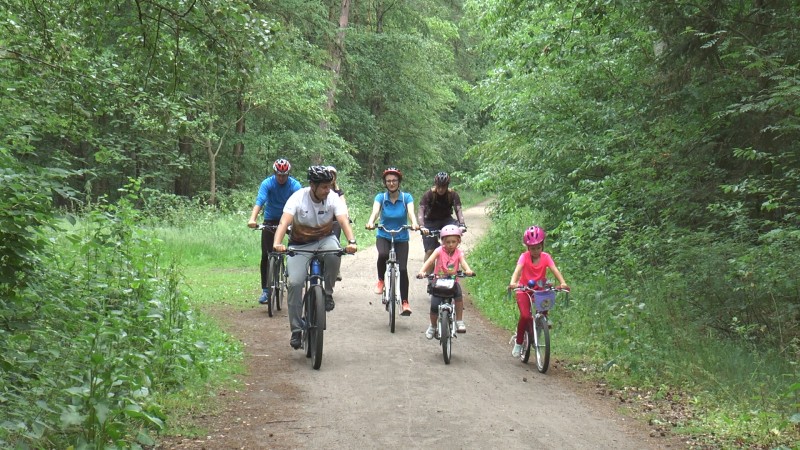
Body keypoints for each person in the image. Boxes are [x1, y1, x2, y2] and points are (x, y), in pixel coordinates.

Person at [272, 166, 358, 349]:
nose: (328, 190)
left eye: (330, 186)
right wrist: (277, 243)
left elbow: (342, 220)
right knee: (295, 283)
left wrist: (352, 241)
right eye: (324, 187)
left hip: (324, 240)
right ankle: (296, 330)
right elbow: (284, 221)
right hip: (300, 244)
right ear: (313, 186)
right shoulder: (298, 197)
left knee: (335, 253)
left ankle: (327, 293)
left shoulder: (332, 197)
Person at [507, 225, 569, 357]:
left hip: (540, 289)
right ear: (528, 248)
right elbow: (517, 270)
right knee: (525, 316)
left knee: (546, 302)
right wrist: (513, 282)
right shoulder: (524, 257)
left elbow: (554, 270)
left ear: (542, 245)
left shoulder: (546, 257)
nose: (536, 251)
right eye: (532, 248)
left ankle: (542, 324)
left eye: (538, 248)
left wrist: (563, 282)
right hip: (524, 289)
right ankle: (518, 342)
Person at [365, 167, 420, 316]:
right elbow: (375, 211)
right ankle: (381, 280)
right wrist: (371, 222)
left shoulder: (406, 197)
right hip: (384, 235)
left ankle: (405, 302)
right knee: (383, 254)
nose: (391, 183)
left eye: (394, 180)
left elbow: (410, 212)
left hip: (401, 237)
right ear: (385, 183)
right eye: (388, 181)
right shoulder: (381, 198)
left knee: (402, 269)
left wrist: (414, 223)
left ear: (399, 182)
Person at [247, 158, 302, 304]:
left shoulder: (295, 185)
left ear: (288, 174)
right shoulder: (267, 183)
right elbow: (260, 201)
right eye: (279, 175)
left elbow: (300, 203)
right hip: (271, 220)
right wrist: (253, 219)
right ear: (275, 173)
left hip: (289, 220)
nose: (281, 178)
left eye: (284, 175)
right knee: (266, 254)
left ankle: (292, 273)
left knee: (296, 248)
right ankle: (265, 290)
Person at [416, 224, 474, 338]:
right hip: (438, 281)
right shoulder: (438, 250)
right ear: (442, 241)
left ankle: (459, 321)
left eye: (453, 241)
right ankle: (432, 326)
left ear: (458, 241)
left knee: (458, 296)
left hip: (452, 281)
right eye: (448, 242)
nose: (451, 244)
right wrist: (422, 271)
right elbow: (430, 261)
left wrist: (468, 270)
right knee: (434, 305)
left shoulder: (459, 253)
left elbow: (463, 262)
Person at [418, 172, 467, 265]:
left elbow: (458, 209)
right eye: (438, 186)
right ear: (435, 185)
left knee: (450, 244)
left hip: (446, 220)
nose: (440, 189)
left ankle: (451, 269)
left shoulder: (452, 194)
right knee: (430, 251)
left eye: (443, 186)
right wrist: (422, 226)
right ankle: (429, 276)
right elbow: (421, 209)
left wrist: (462, 225)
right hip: (430, 221)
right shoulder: (429, 194)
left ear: (447, 186)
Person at [326, 166, 348, 281]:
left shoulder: (338, 192)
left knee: (336, 245)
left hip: (335, 221)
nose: (331, 177)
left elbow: (343, 205)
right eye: (328, 174)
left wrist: (346, 216)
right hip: (323, 221)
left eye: (332, 175)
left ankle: (336, 269)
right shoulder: (320, 189)